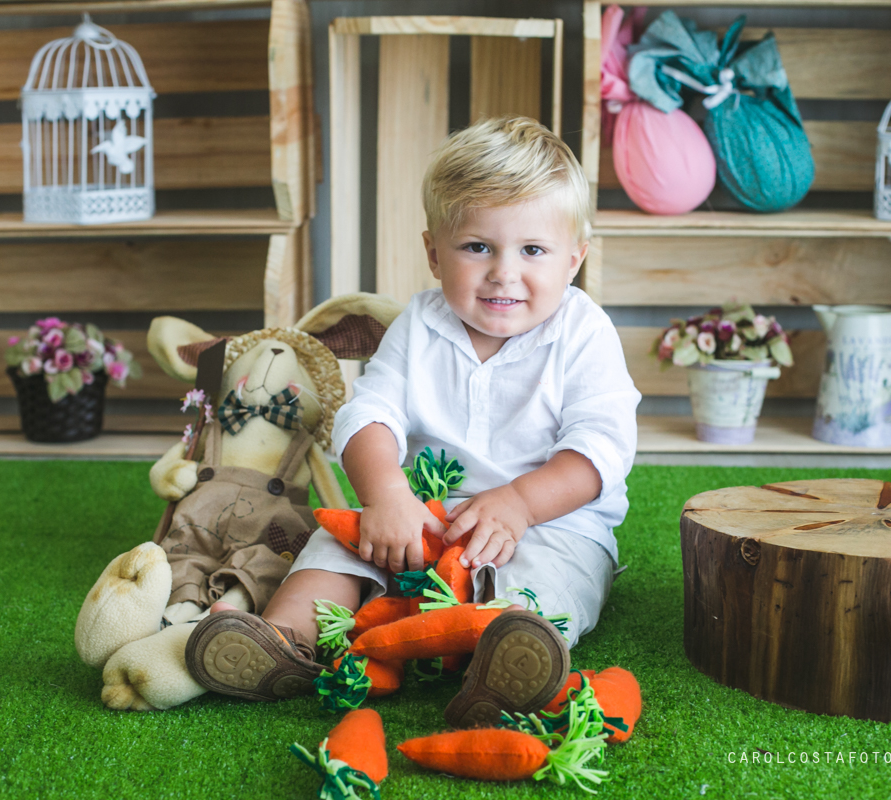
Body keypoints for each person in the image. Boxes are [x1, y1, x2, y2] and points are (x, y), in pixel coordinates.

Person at [184, 116, 640, 726]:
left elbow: (601, 450)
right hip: (421, 514)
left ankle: (503, 662)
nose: (504, 271)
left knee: (542, 588)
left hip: (551, 524)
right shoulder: (421, 326)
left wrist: (521, 505)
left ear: (574, 258)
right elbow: (369, 414)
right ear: (433, 252)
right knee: (337, 548)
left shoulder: (583, 333)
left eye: (533, 250)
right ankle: (283, 641)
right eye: (478, 247)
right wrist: (387, 495)